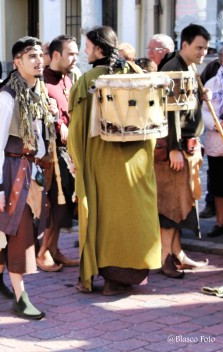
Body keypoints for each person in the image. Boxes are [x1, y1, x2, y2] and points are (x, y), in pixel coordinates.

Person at [68, 26, 161, 295]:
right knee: (133, 217)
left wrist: (77, 161)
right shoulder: (136, 72)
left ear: (98, 48)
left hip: (101, 163)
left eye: (87, 46)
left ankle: (106, 277)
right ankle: (126, 276)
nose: (85, 51)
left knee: (103, 217)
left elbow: (77, 131)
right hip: (137, 161)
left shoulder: (87, 81)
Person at [0, 37, 56, 320]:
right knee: (19, 232)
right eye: (31, 56)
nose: (38, 60)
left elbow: (41, 134)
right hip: (13, 173)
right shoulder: (7, 96)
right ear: (17, 62)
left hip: (34, 171)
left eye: (40, 55)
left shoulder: (41, 92)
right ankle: (20, 297)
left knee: (23, 228)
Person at [157, 24, 211, 277]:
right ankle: (165, 257)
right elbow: (170, 113)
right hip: (176, 149)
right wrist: (174, 149)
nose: (203, 52)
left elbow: (186, 107)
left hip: (188, 146)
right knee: (170, 204)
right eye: (199, 47)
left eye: (205, 48)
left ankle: (177, 253)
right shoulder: (173, 69)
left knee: (181, 204)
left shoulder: (189, 67)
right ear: (185, 45)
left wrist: (202, 96)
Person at [37, 35, 80, 272]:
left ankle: (53, 249)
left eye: (76, 53)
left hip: (68, 151)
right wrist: (55, 121)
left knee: (63, 204)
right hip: (49, 153)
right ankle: (42, 252)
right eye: (70, 53)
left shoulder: (69, 79)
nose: (75, 58)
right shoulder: (41, 81)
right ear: (55, 55)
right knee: (54, 203)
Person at [202, 46, 223, 237]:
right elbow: (205, 111)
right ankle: (220, 222)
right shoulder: (212, 83)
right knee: (218, 184)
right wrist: (217, 125)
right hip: (218, 141)